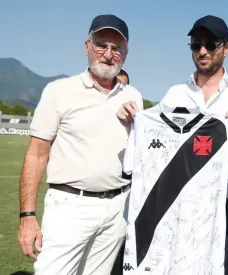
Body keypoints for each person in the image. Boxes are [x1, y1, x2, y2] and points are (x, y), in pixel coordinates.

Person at [116, 15, 228, 275]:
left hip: (226, 210)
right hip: (177, 206)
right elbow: (152, 141)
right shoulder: (175, 94)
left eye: (211, 44)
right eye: (196, 45)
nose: (202, 51)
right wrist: (132, 123)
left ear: (226, 48)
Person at [17, 14, 143, 274]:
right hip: (71, 205)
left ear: (125, 53)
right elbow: (37, 155)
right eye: (101, 44)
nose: (108, 54)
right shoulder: (59, 90)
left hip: (118, 206)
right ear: (87, 47)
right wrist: (27, 217)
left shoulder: (133, 96)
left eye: (116, 48)